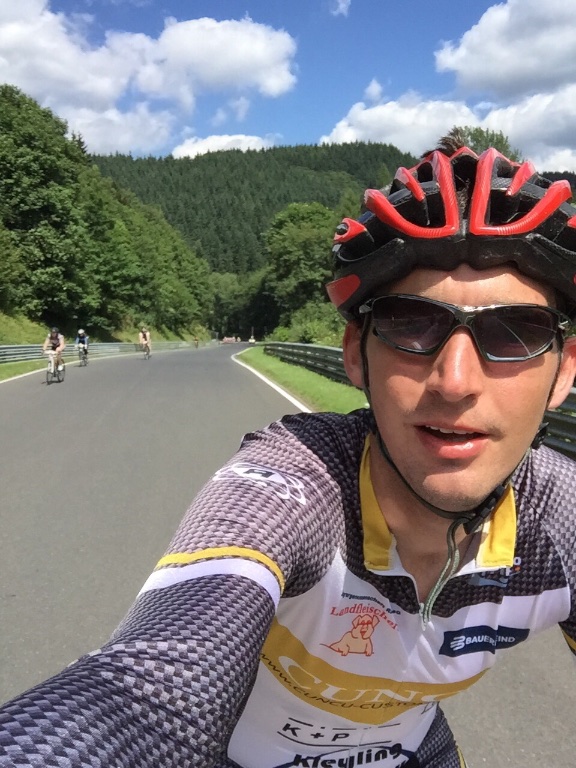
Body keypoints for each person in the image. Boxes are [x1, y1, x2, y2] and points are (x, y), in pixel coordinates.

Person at [2, 132, 576, 768]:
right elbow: (151, 687)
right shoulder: (293, 488)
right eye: (411, 324)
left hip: (411, 747)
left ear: (565, 371)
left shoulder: (562, 519)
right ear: (355, 353)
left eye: (514, 332)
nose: (456, 381)